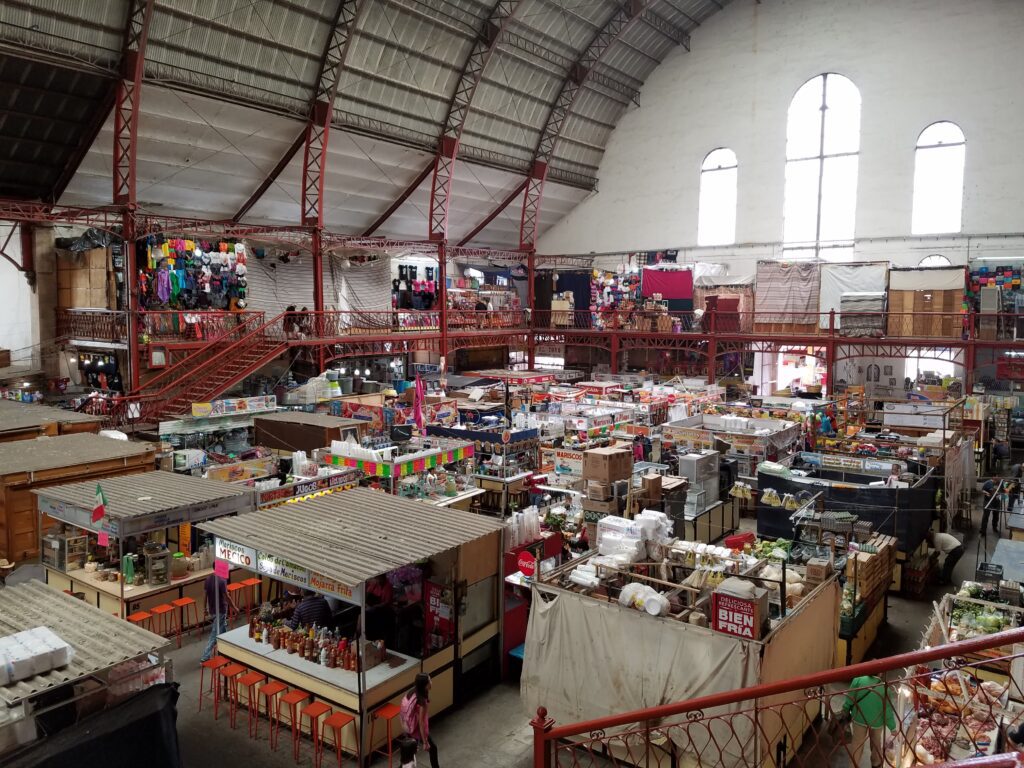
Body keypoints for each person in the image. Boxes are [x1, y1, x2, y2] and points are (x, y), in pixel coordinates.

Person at [840, 673, 896, 768]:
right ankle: (876, 764)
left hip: (859, 718)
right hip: (876, 722)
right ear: (880, 673)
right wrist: (892, 727)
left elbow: (850, 697)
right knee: (876, 744)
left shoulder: (857, 680)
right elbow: (887, 711)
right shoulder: (884, 688)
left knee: (857, 744)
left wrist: (845, 709)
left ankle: (853, 765)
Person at [401, 673, 439, 768]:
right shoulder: (422, 701)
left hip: (408, 726)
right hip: (416, 729)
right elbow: (421, 723)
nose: (431, 682)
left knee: (408, 754)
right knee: (432, 748)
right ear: (425, 685)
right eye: (429, 681)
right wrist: (425, 742)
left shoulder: (412, 692)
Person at [200, 572, 238, 663]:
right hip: (220, 609)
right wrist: (235, 608)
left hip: (212, 610)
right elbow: (226, 597)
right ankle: (205, 655)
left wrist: (205, 608)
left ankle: (225, 649)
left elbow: (205, 595)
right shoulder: (222, 581)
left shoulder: (208, 579)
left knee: (222, 629)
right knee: (215, 633)